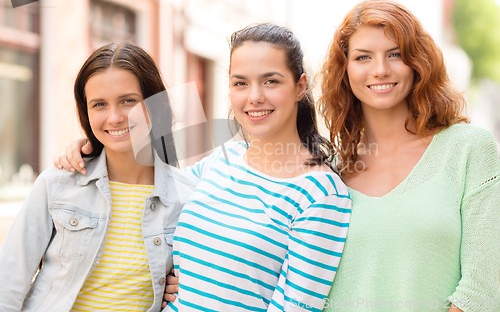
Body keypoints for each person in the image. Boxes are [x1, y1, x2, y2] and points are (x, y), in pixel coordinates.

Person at [53, 23, 352, 311]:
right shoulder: (221, 161)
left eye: (270, 81)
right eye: (240, 83)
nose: (254, 97)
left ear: (300, 86)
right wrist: (94, 148)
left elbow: (295, 307)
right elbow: (147, 192)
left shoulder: (320, 193)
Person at [317, 0, 500, 312]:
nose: (380, 70)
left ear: (418, 62)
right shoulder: (326, 173)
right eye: (363, 57)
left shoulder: (469, 150)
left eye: (395, 54)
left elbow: (484, 291)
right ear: (345, 71)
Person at [0, 42, 195, 311]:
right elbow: (9, 281)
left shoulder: (188, 197)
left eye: (128, 101)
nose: (114, 117)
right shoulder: (57, 184)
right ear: (86, 111)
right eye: (99, 104)